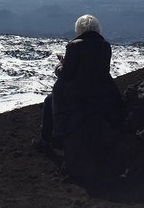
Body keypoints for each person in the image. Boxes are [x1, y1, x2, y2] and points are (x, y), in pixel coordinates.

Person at [36, 15, 125, 183]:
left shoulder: (74, 46)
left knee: (49, 101)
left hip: (75, 97)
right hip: (101, 95)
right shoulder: (105, 46)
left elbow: (67, 74)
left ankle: (46, 140)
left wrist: (59, 65)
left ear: (79, 29)